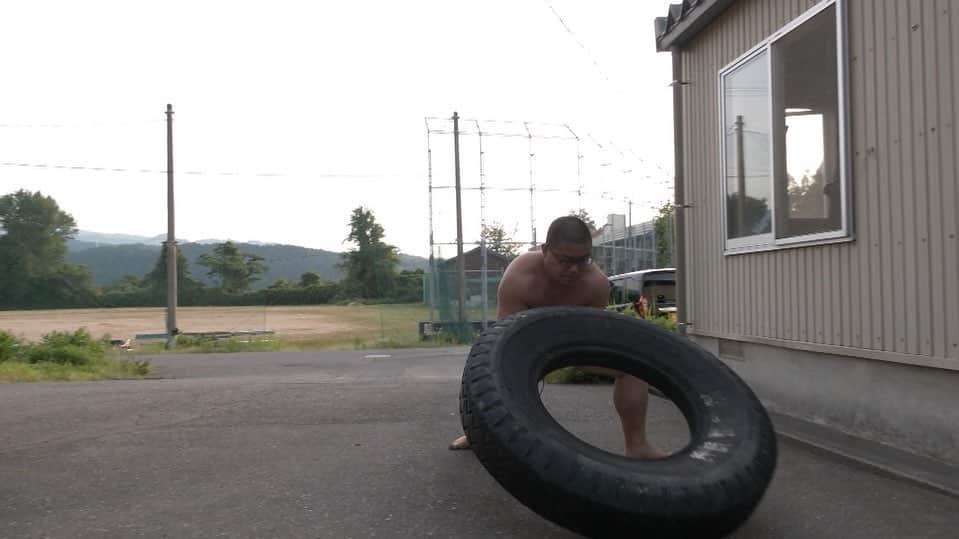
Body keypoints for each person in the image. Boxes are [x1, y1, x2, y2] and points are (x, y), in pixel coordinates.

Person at [448, 215, 666, 459]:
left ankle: (637, 446)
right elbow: (504, 340)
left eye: (582, 260)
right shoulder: (520, 277)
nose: (573, 269)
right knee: (484, 364)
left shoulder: (596, 284)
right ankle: (478, 431)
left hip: (573, 343)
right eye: (564, 260)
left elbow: (591, 336)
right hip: (524, 343)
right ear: (545, 251)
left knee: (632, 368)